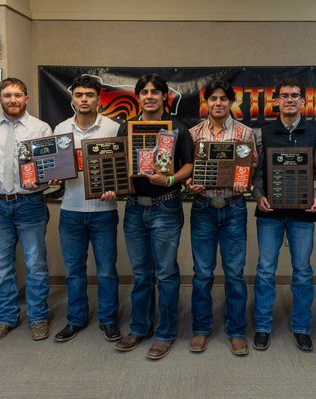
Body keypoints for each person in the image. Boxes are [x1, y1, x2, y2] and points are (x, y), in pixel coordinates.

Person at [0, 77, 53, 343]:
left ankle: (38, 317)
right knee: (1, 267)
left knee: (35, 265)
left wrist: (43, 180)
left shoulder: (41, 129)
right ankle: (6, 318)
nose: (12, 99)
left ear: (27, 99)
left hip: (30, 204)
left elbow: (51, 168)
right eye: (7, 95)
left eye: (18, 95)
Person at [114, 73, 194, 360]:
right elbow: (118, 164)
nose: (149, 96)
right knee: (140, 273)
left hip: (165, 206)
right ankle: (140, 327)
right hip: (135, 207)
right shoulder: (127, 127)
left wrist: (170, 179)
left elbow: (190, 166)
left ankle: (165, 333)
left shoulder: (177, 128)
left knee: (166, 273)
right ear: (138, 97)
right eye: (144, 92)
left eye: (155, 92)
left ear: (164, 97)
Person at [250, 77, 316, 352]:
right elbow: (257, 176)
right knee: (266, 270)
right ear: (276, 100)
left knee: (302, 272)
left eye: (295, 95)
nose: (290, 100)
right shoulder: (263, 133)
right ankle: (262, 326)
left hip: (302, 215)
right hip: (269, 214)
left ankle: (302, 327)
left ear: (303, 101)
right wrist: (259, 196)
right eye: (284, 95)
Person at [185, 79, 256, 356]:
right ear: (206, 102)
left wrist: (245, 182)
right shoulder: (193, 134)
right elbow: (186, 169)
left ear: (230, 102)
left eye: (222, 99)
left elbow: (253, 166)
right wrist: (189, 183)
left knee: (235, 274)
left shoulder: (245, 133)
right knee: (202, 273)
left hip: (234, 206)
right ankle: (201, 329)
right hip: (203, 207)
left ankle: (236, 331)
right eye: (212, 98)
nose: (217, 103)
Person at [51, 75, 122, 343]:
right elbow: (54, 168)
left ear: (98, 99)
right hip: (70, 211)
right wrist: (53, 176)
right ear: (72, 99)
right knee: (74, 272)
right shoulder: (60, 129)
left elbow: (120, 169)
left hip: (104, 211)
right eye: (79, 95)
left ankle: (108, 319)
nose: (84, 99)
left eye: (89, 95)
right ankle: (76, 320)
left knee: (106, 270)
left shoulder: (113, 129)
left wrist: (116, 186)